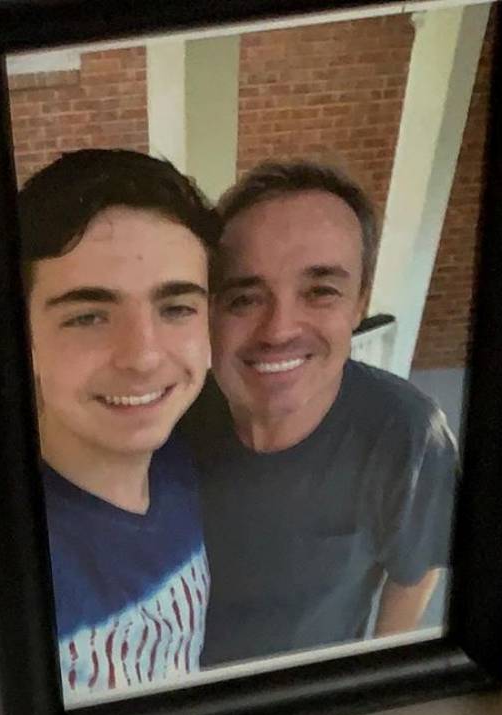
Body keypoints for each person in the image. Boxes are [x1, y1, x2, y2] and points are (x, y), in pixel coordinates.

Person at [183, 160, 458, 669]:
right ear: (211, 312)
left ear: (359, 304)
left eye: (321, 292)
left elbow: (416, 568)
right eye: (244, 298)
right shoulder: (168, 419)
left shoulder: (408, 435)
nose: (279, 330)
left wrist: (376, 676)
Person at [17, 149, 219, 704]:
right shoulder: (15, 570)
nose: (143, 357)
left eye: (176, 308)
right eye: (87, 316)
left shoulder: (180, 459)